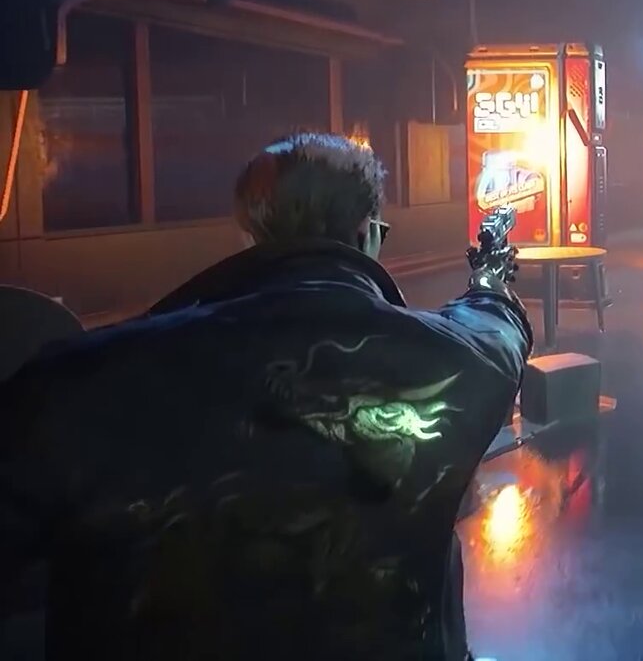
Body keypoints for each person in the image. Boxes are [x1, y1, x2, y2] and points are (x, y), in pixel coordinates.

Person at [0, 133, 533, 661]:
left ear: (251, 231)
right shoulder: (457, 358)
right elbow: (496, 324)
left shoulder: (78, 377)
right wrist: (490, 275)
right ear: (366, 232)